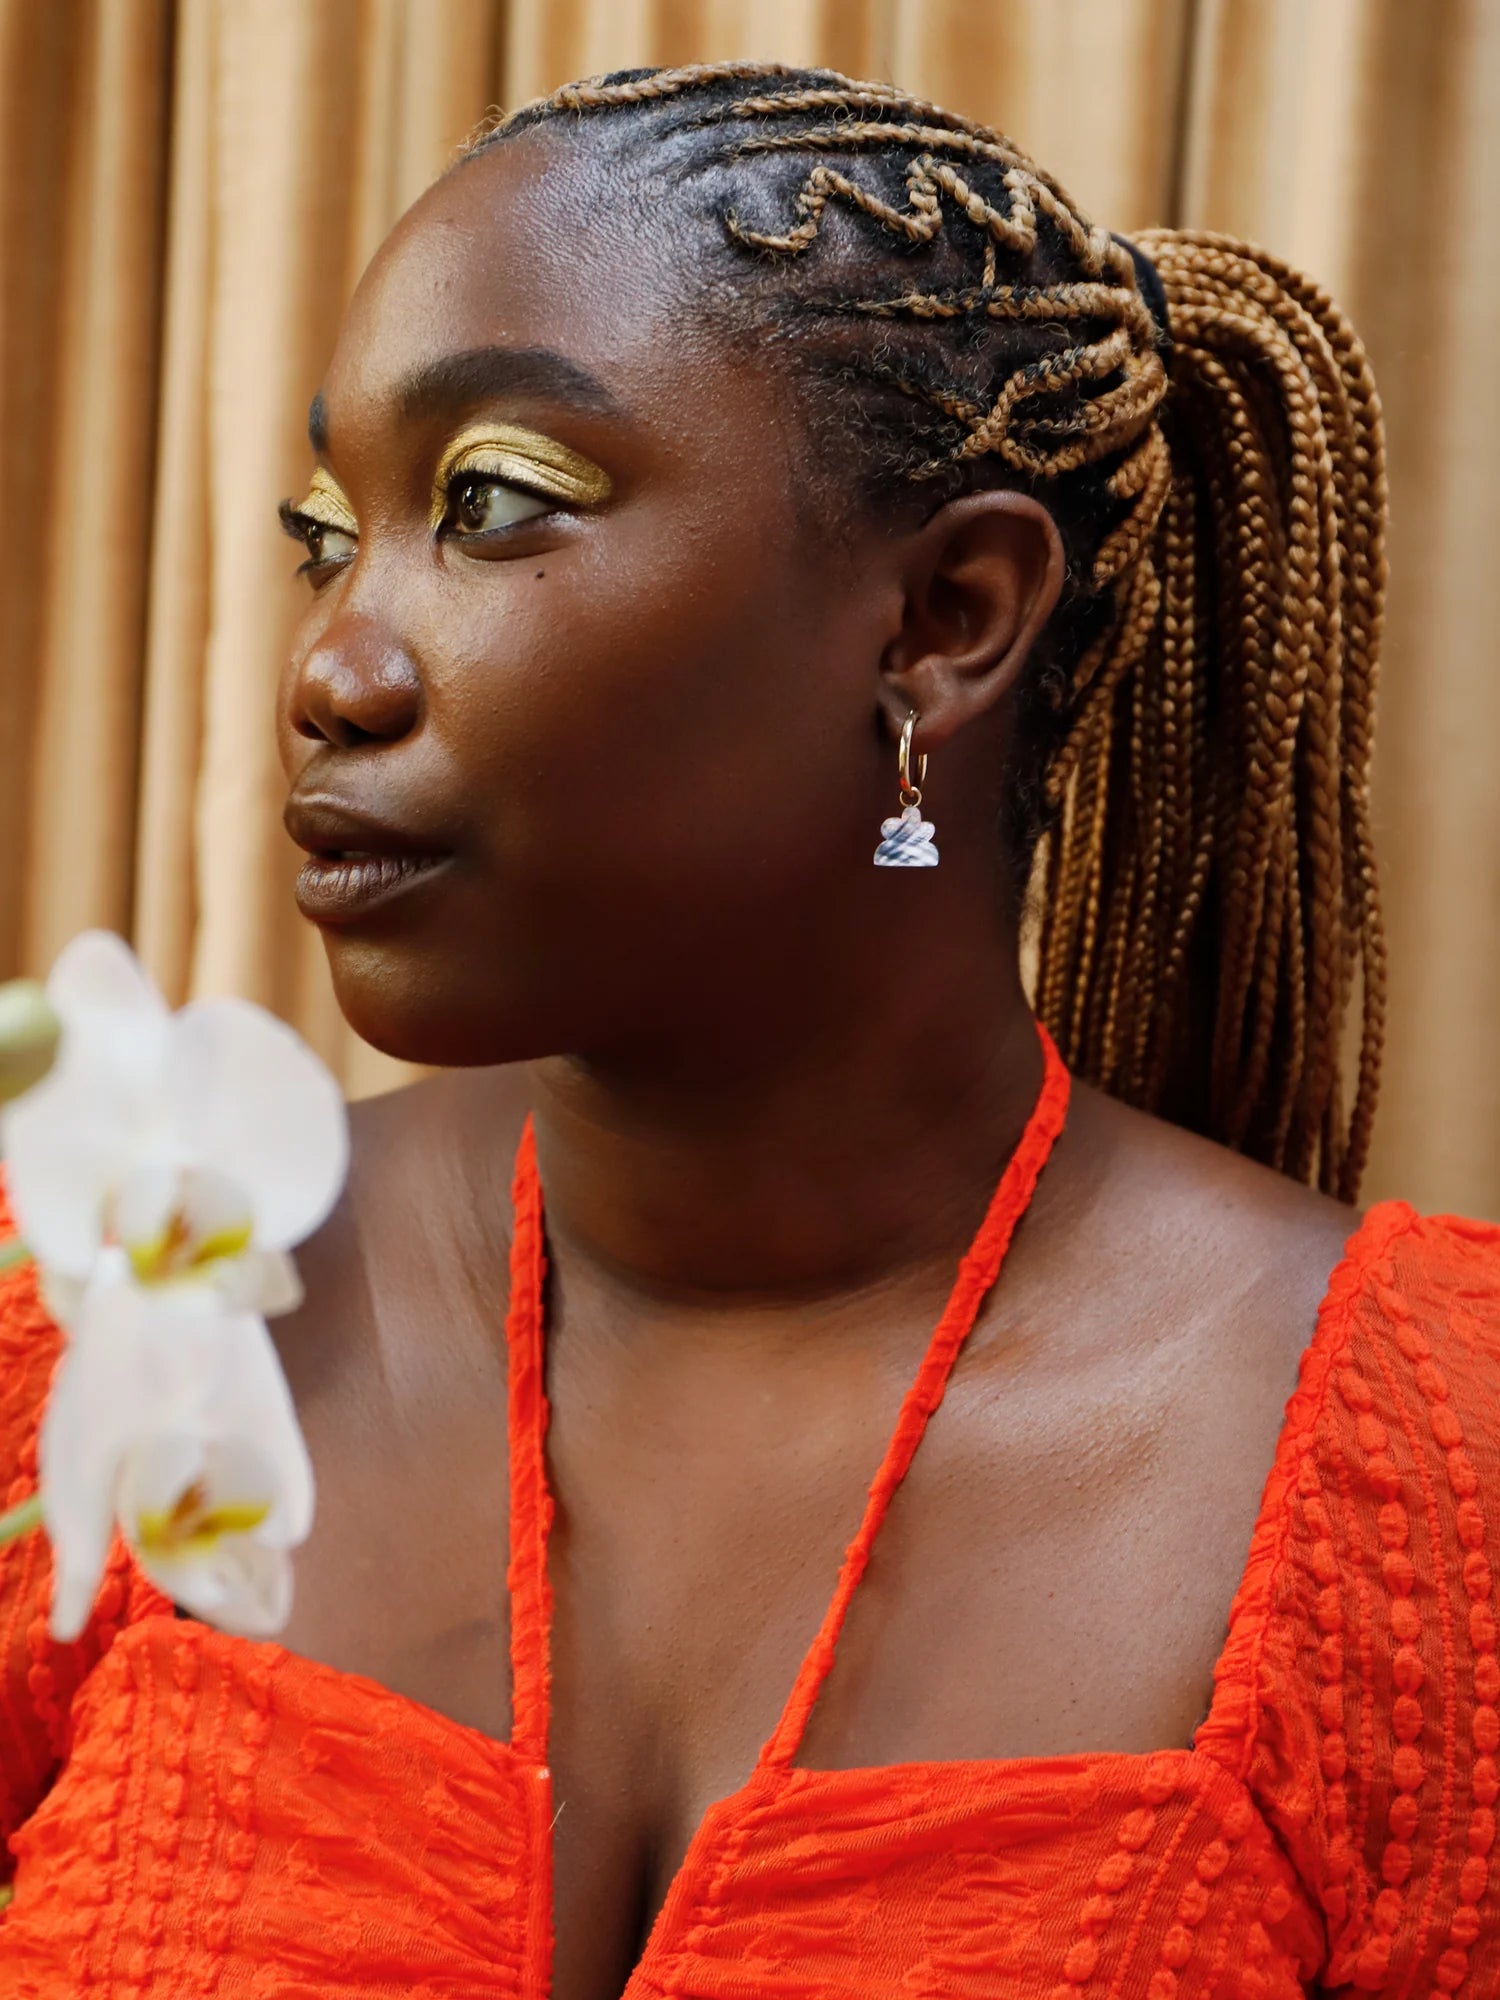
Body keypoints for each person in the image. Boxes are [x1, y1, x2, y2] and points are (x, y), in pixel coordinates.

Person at [2, 59, 1498, 2000]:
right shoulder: (122, 1312)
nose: (333, 667)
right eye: (327, 535)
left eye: (491, 506)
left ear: (945, 617)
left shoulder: (1433, 1483)